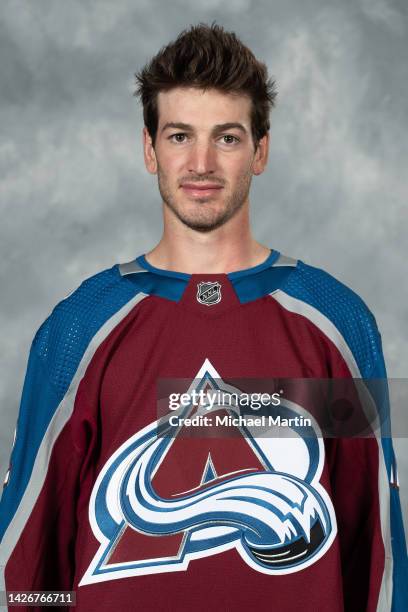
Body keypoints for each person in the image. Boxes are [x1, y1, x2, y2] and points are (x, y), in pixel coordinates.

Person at [0, 22, 407, 612]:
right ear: (149, 150)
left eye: (228, 138)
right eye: (179, 135)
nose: (201, 163)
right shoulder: (79, 328)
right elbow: (30, 554)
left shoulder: (339, 322)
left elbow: (378, 550)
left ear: (261, 151)